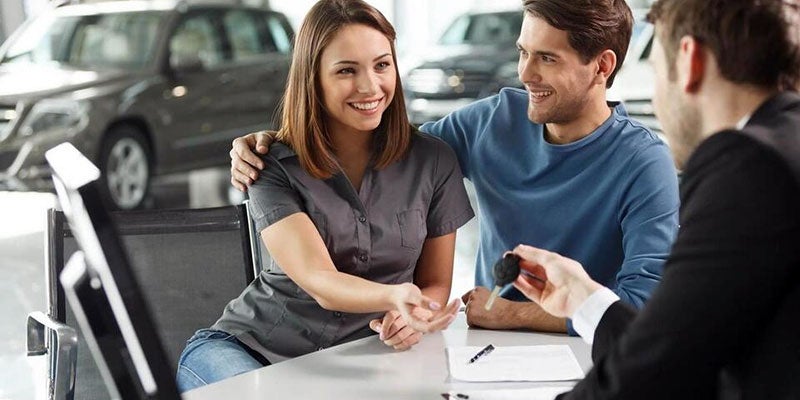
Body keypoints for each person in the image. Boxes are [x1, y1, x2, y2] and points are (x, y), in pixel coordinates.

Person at [229, 0, 680, 337]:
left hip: (588, 355)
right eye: (524, 52)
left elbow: (642, 308)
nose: (525, 73)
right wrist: (271, 144)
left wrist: (514, 315)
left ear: (602, 66)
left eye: (547, 58)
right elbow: (384, 145)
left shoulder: (644, 163)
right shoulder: (489, 122)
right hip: (487, 352)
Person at [175, 0, 473, 392]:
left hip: (359, 359)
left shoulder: (433, 160)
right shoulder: (271, 165)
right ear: (312, 78)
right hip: (248, 350)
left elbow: (434, 282)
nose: (370, 86)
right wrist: (395, 295)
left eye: (382, 65)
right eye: (347, 70)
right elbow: (318, 279)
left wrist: (414, 316)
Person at [511, 0, 800, 398]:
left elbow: (654, 377)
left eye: (656, 71)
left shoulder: (748, 165)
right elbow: (686, 345)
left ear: (689, 60)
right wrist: (585, 300)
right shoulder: (786, 144)